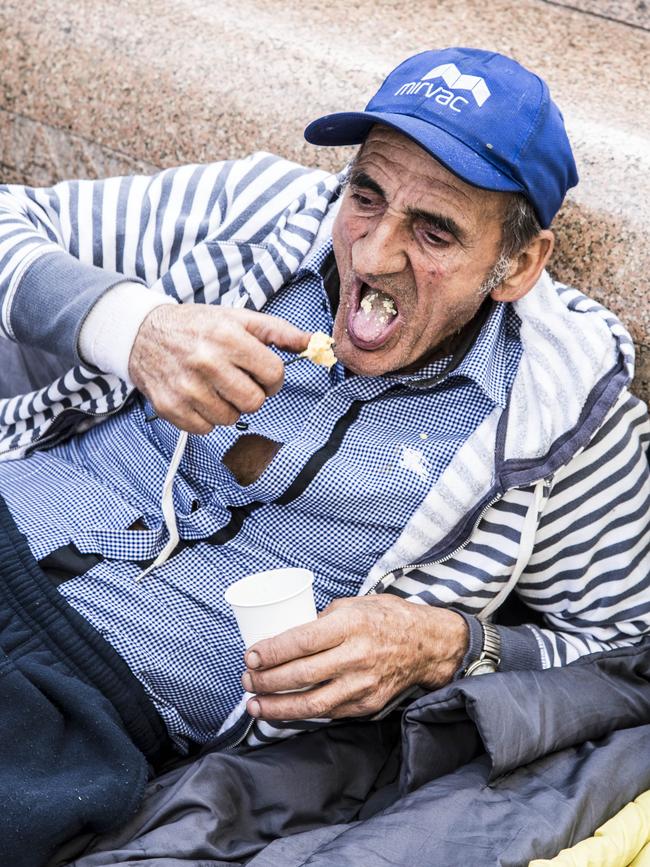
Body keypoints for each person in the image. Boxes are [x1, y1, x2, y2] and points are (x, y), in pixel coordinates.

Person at [0, 46, 649, 865]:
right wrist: (132, 327)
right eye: (367, 194)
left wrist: (449, 642)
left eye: (435, 229)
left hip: (93, 703)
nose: (371, 256)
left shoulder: (564, 417)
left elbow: (626, 642)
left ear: (516, 264)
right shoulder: (260, 212)